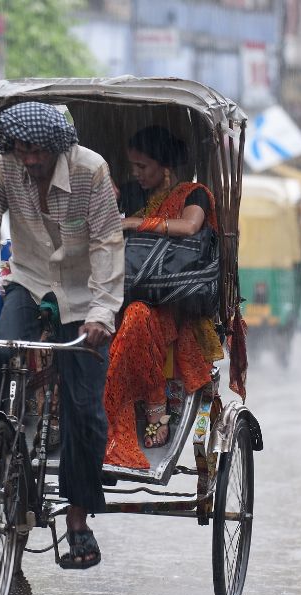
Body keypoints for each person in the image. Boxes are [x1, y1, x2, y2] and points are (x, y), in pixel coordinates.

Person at [0, 101, 123, 571]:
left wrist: (103, 313)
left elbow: (108, 242)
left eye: (36, 152)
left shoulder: (91, 171)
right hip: (26, 280)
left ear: (57, 147)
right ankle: (3, 450)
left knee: (84, 406)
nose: (28, 160)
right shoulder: (5, 170)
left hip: (85, 293)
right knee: (1, 359)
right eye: (20, 150)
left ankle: (79, 518)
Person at [103, 126, 223, 469]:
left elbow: (189, 227)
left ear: (165, 166)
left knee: (138, 316)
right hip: (120, 292)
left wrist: (136, 223)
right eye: (133, 167)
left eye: (143, 167)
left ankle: (156, 403)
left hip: (173, 300)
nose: (137, 174)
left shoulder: (193, 194)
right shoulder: (126, 193)